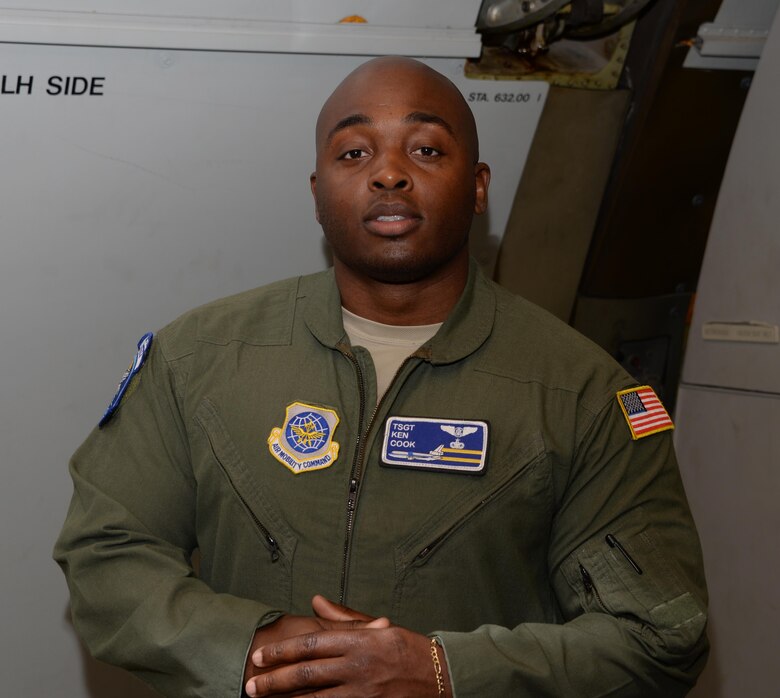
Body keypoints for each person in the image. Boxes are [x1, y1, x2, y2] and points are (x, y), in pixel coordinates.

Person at [55, 56, 708, 697]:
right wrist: (259, 650)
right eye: (353, 154)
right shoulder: (199, 357)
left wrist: (443, 673)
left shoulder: (582, 393)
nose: (389, 174)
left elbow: (659, 633)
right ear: (317, 194)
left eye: (424, 150)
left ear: (478, 186)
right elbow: (106, 554)